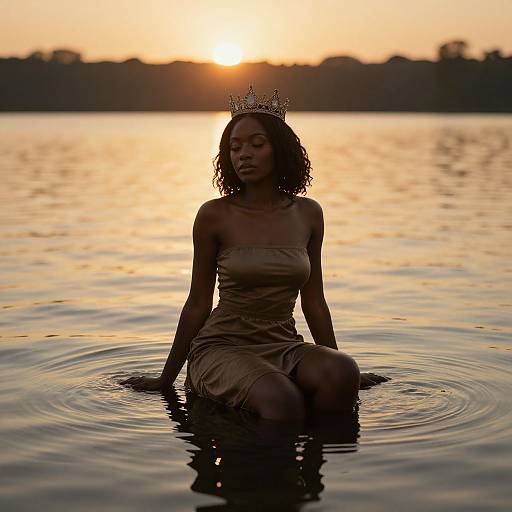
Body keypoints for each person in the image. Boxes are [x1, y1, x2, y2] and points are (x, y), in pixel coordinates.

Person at [121, 85, 387, 421]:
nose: (243, 154)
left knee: (343, 372)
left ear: (280, 149)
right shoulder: (214, 215)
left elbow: (314, 301)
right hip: (221, 348)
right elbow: (197, 303)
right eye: (235, 147)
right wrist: (166, 379)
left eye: (256, 145)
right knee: (283, 400)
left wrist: (346, 373)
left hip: (284, 345)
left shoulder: (308, 214)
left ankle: (316, 471)